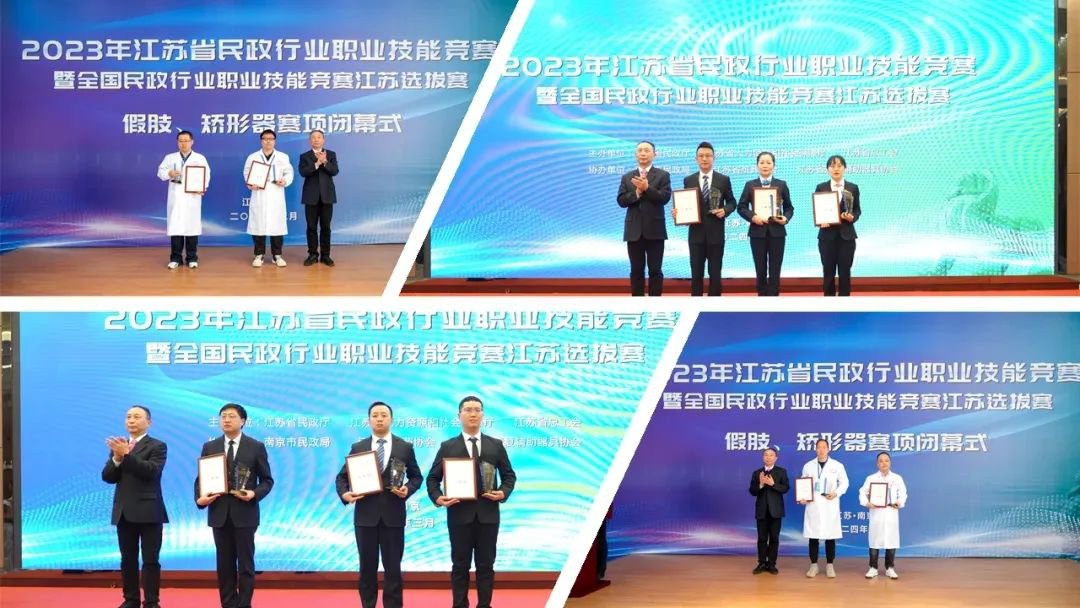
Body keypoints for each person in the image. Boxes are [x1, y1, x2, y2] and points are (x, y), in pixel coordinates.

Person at [426, 396, 517, 608]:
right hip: (459, 515)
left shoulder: (495, 445)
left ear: (483, 415)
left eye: (477, 410)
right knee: (460, 566)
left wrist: (503, 493)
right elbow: (432, 479)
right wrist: (438, 497)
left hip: (488, 516)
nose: (473, 414)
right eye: (468, 410)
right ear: (459, 415)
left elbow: (509, 476)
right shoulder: (448, 446)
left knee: (486, 566)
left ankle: (484, 605)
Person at [335, 402, 423, 608]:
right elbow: (342, 477)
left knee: (393, 569)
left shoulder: (404, 447)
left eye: (384, 415)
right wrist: (345, 494)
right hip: (365, 517)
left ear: (391, 419)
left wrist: (407, 489)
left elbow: (416, 477)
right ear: (369, 420)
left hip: (394, 517)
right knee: (367, 568)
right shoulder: (359, 447)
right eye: (375, 415)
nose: (380, 419)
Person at [194, 403, 274, 608]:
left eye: (231, 416)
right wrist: (200, 499)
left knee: (245, 565)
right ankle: (228, 604)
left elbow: (267, 481)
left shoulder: (255, 446)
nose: (226, 420)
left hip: (245, 513)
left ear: (243, 421)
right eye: (223, 416)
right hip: (219, 513)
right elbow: (201, 479)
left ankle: (244, 604)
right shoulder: (210, 447)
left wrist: (254, 494)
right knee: (224, 565)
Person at [101, 405, 168, 608]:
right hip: (124, 512)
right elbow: (108, 477)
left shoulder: (157, 446)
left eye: (137, 417)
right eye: (128, 416)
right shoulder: (120, 446)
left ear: (149, 422)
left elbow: (151, 471)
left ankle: (151, 601)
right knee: (127, 560)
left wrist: (127, 456)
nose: (131, 420)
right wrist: (116, 458)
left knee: (150, 560)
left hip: (149, 511)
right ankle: (130, 600)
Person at [673, 141, 736, 296]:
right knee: (696, 274)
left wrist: (725, 210)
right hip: (696, 234)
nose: (705, 158)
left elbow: (732, 202)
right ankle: (696, 304)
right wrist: (679, 214)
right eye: (701, 156)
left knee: (715, 274)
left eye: (708, 155)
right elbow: (686, 204)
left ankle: (714, 305)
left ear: (714, 158)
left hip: (716, 233)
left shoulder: (723, 179)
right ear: (696, 159)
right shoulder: (689, 180)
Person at [616, 141, 672, 296]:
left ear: (654, 154)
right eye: (640, 150)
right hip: (633, 231)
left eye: (647, 150)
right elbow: (621, 200)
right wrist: (637, 193)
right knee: (636, 270)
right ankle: (637, 304)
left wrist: (647, 188)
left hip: (655, 230)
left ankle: (655, 304)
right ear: (636, 154)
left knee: (655, 270)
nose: (643, 153)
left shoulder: (663, 175)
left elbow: (664, 198)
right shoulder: (627, 177)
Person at [737, 152, 793, 296]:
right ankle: (762, 297)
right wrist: (753, 217)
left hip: (777, 232)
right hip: (757, 232)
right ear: (757, 166)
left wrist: (785, 218)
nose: (765, 165)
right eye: (762, 162)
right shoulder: (750, 185)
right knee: (760, 268)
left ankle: (773, 298)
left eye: (768, 162)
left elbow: (789, 208)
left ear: (774, 166)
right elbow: (741, 207)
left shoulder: (781, 184)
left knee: (775, 268)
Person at [157, 130, 210, 269]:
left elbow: (206, 175)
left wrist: (202, 187)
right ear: (177, 142)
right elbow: (160, 172)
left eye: (186, 141)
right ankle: (175, 258)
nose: (183, 144)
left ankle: (192, 258)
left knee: (192, 229)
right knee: (176, 228)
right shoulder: (170, 157)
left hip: (193, 197)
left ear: (192, 142)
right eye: (180, 141)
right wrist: (169, 173)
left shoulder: (200, 158)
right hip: (176, 198)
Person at [798, 438, 848, 578]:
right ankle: (813, 565)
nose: (821, 450)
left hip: (829, 504)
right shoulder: (808, 466)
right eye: (818, 447)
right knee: (813, 537)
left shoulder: (837, 465)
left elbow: (845, 483)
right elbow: (803, 484)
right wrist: (803, 497)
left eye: (824, 447)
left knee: (830, 537)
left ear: (828, 449)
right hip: (813, 505)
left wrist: (836, 493)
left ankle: (830, 565)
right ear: (815, 449)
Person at [244, 129, 294, 268]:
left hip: (276, 194)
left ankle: (277, 255)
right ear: (261, 141)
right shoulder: (253, 157)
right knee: (258, 226)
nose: (268, 141)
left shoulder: (283, 157)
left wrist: (285, 181)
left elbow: (289, 173)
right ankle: (259, 255)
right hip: (259, 194)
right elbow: (247, 173)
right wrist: (251, 184)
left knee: (277, 226)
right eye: (265, 139)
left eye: (271, 139)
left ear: (274, 141)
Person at [815, 155, 861, 296]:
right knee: (828, 271)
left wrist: (852, 217)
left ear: (845, 168)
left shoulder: (852, 187)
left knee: (845, 272)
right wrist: (820, 221)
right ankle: (828, 303)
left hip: (847, 237)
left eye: (839, 166)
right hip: (826, 236)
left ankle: (844, 303)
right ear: (827, 169)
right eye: (832, 166)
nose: (836, 169)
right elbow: (818, 209)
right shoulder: (821, 187)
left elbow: (857, 210)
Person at [858, 452, 908, 579]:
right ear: (877, 463)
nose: (884, 463)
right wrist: (867, 503)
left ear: (890, 462)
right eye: (881, 461)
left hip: (891, 513)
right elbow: (862, 492)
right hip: (876, 514)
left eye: (886, 460)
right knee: (874, 541)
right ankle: (873, 568)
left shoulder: (897, 478)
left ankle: (890, 568)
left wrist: (899, 502)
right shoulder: (871, 478)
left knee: (891, 541)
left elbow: (903, 493)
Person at [298, 129, 339, 267]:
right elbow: (303, 172)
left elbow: (335, 171)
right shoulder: (305, 156)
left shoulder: (331, 154)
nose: (316, 139)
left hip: (327, 196)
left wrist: (325, 162)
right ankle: (313, 255)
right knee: (311, 227)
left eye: (319, 137)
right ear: (310, 141)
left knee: (326, 227)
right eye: (313, 137)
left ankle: (325, 255)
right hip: (311, 197)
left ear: (323, 140)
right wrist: (316, 164)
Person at [748, 447, 788, 575]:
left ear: (776, 458)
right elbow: (752, 491)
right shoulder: (757, 473)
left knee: (774, 538)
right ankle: (761, 563)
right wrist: (760, 484)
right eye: (766, 455)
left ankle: (771, 564)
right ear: (763, 457)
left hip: (776, 511)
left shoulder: (781, 472)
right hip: (761, 511)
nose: (768, 457)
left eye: (771, 455)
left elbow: (785, 488)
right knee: (762, 538)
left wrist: (772, 484)